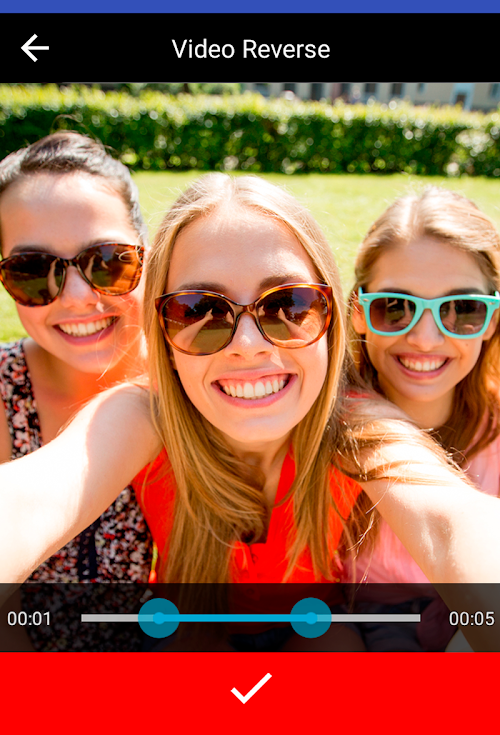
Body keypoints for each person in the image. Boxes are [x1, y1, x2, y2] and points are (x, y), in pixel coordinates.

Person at [1, 174, 500, 652]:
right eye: (199, 309)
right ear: (162, 336)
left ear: (331, 321)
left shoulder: (355, 421)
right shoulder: (145, 413)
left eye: (289, 305)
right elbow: (37, 499)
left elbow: (449, 522)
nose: (247, 344)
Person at [0, 132, 153, 649]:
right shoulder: (4, 387)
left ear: (148, 256)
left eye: (107, 261)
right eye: (31, 271)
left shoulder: (201, 382)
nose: (78, 297)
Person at [348, 186, 500, 649]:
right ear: (359, 312)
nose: (426, 338)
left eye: (462, 310)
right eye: (395, 308)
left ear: (492, 321)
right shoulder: (321, 418)